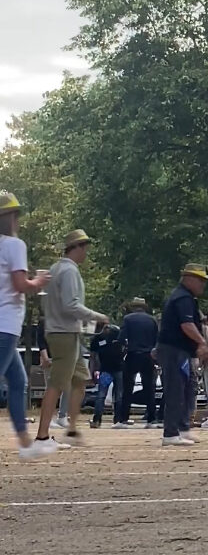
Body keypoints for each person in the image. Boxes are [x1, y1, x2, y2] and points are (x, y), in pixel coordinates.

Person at [37, 229, 108, 448]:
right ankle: (41, 436)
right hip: (64, 333)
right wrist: (96, 316)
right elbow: (70, 305)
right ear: (75, 247)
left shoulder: (55, 269)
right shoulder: (69, 271)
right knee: (57, 384)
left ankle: (72, 429)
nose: (86, 252)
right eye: (84, 247)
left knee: (80, 380)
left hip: (64, 331)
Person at [0, 190, 56, 458]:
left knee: (17, 379)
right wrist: (39, 282)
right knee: (13, 380)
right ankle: (25, 443)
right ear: (11, 217)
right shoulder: (15, 245)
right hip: (6, 323)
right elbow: (20, 285)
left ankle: (25, 443)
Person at [157, 263, 208, 446]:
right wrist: (202, 342)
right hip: (174, 351)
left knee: (187, 389)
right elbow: (187, 326)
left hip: (181, 351)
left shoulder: (186, 297)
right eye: (200, 281)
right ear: (189, 279)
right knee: (175, 390)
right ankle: (170, 433)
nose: (203, 285)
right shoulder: (183, 298)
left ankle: (182, 428)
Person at [115, 297, 159, 428]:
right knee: (149, 387)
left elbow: (121, 338)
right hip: (148, 355)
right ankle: (151, 419)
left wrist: (123, 349)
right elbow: (157, 337)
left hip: (133, 354)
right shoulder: (152, 320)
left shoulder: (128, 319)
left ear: (133, 307)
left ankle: (123, 418)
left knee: (128, 387)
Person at [89, 318, 125, 429]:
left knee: (115, 395)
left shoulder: (116, 333)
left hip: (116, 369)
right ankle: (98, 419)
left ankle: (117, 419)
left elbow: (93, 357)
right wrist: (93, 371)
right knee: (103, 395)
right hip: (107, 370)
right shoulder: (97, 338)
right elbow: (93, 356)